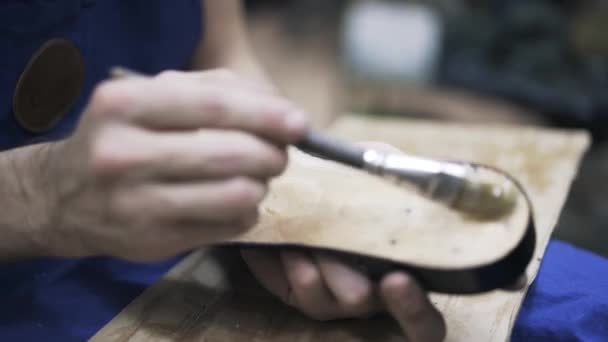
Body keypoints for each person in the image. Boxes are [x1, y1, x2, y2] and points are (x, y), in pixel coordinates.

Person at [0, 1, 606, 341]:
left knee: (583, 311)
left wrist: (287, 202)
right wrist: (33, 196)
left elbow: (222, 51)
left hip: (206, 236)